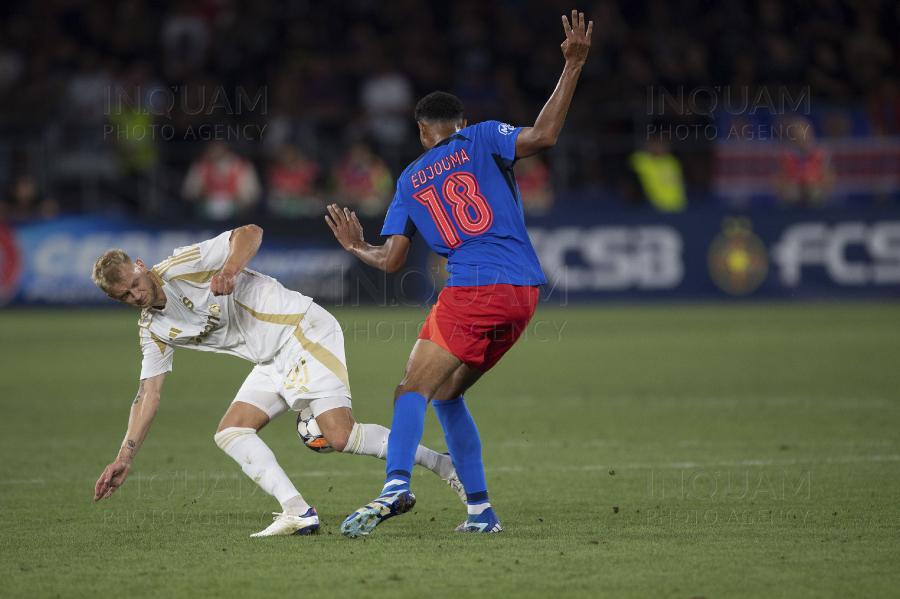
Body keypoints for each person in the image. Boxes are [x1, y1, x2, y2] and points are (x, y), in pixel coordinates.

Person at [326, 10, 592, 538]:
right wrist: (573, 66)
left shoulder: (406, 180)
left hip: (474, 288)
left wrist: (357, 247)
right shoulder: (486, 137)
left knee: (410, 391)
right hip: (523, 294)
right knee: (446, 395)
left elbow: (392, 260)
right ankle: (480, 514)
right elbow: (544, 136)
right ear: (461, 123)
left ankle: (396, 484)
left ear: (423, 132)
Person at [90, 225, 464, 537]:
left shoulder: (183, 266)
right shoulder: (153, 330)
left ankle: (444, 465)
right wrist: (125, 457)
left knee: (340, 436)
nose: (136, 296)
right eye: (124, 296)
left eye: (135, 284)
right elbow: (148, 394)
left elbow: (251, 231)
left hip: (300, 330)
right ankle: (297, 511)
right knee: (231, 432)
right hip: (271, 358)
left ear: (140, 265)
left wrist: (231, 270)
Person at [181, 141, 262, 221]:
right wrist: (202, 194)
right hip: (205, 211)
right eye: (212, 148)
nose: (214, 151)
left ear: (226, 148)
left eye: (218, 147)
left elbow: (252, 195)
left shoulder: (243, 166)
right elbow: (188, 192)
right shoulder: (199, 166)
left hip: (236, 212)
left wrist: (231, 199)